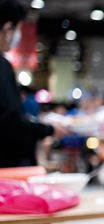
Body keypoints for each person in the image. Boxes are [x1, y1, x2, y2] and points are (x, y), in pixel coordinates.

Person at [0, 0, 67, 168]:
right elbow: (12, 123)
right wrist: (49, 130)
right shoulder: (2, 66)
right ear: (8, 28)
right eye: (18, 29)